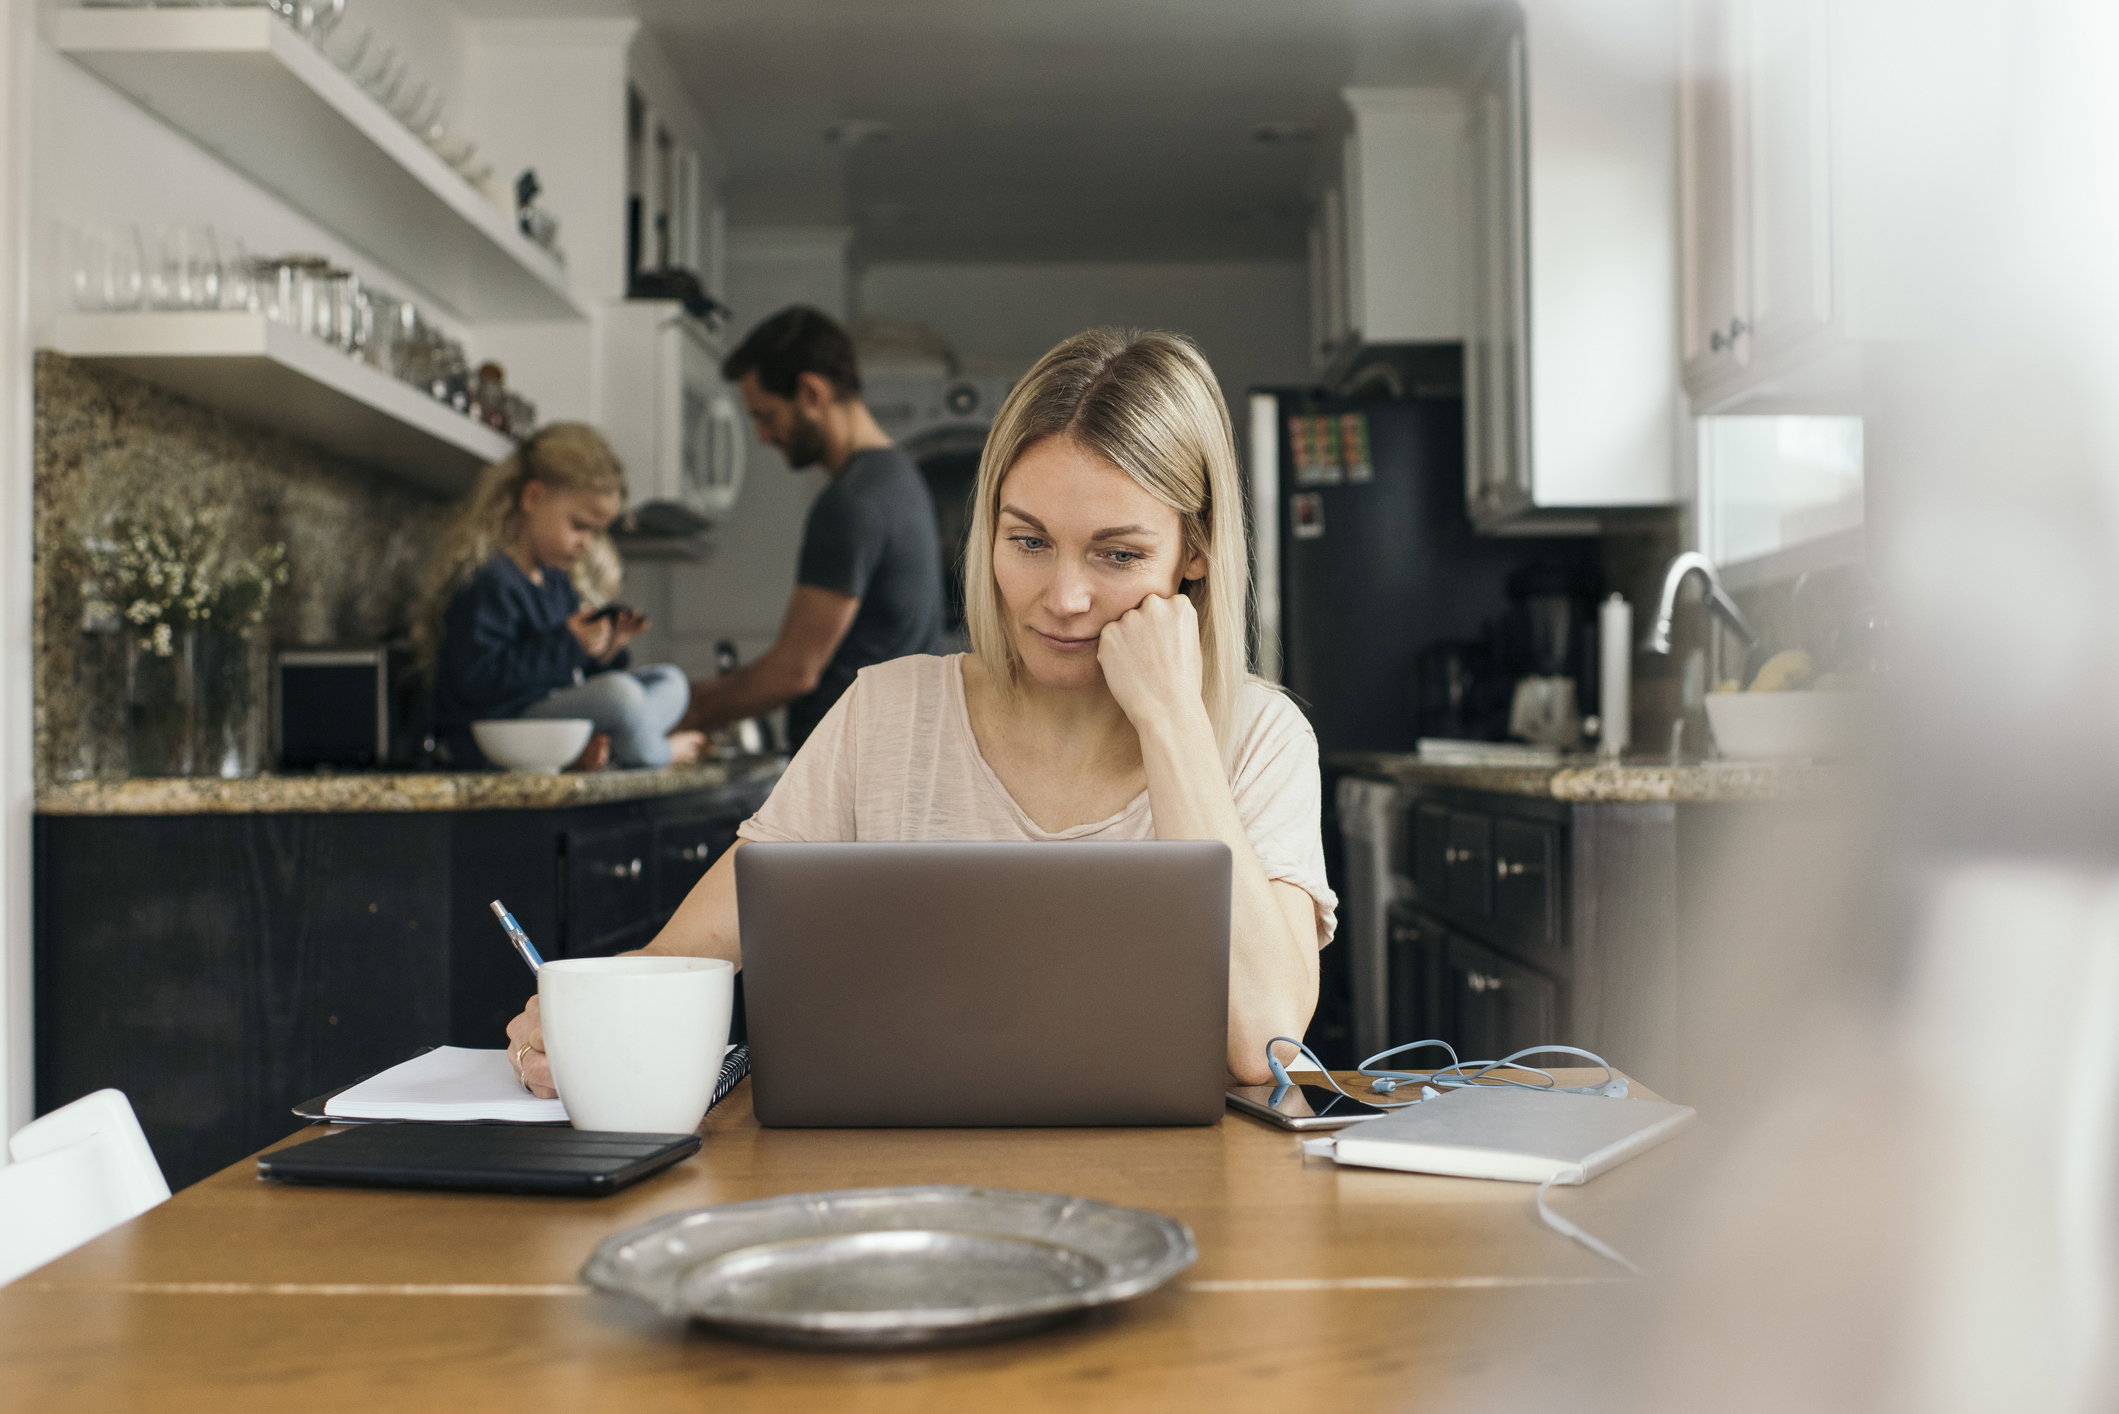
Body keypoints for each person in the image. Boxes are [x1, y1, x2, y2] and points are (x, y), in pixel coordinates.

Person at [508, 328, 1336, 1089]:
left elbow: (1263, 1041)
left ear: (1194, 549)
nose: (1065, 597)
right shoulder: (886, 713)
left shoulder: (1260, 737)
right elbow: (684, 954)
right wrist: (573, 1017)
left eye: (1118, 554)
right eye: (1029, 541)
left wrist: (1173, 724)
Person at [681, 306, 946, 748]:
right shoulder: (900, 476)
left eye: (766, 416)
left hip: (856, 767)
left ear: (810, 392)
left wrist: (677, 709)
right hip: (893, 755)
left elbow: (794, 672)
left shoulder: (851, 502)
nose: (764, 436)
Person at [423, 423, 706, 770]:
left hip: (551, 719)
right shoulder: (491, 581)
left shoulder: (557, 583)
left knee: (670, 682)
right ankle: (656, 752)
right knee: (621, 696)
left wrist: (604, 652)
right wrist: (569, 642)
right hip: (503, 726)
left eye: (596, 530)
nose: (587, 542)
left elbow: (572, 675)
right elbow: (477, 680)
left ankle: (612, 746)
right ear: (533, 498)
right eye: (579, 525)